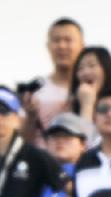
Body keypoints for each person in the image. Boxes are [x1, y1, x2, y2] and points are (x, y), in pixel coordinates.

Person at [21, 18, 85, 146]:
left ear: (82, 45)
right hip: (42, 163)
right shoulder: (36, 91)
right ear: (48, 46)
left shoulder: (91, 89)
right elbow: (23, 141)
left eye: (68, 40)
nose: (61, 46)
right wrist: (31, 116)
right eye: (56, 40)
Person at [68, 47, 111, 127]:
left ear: (106, 69)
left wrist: (87, 105)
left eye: (92, 66)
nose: (85, 72)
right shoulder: (70, 111)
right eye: (80, 68)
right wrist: (86, 104)